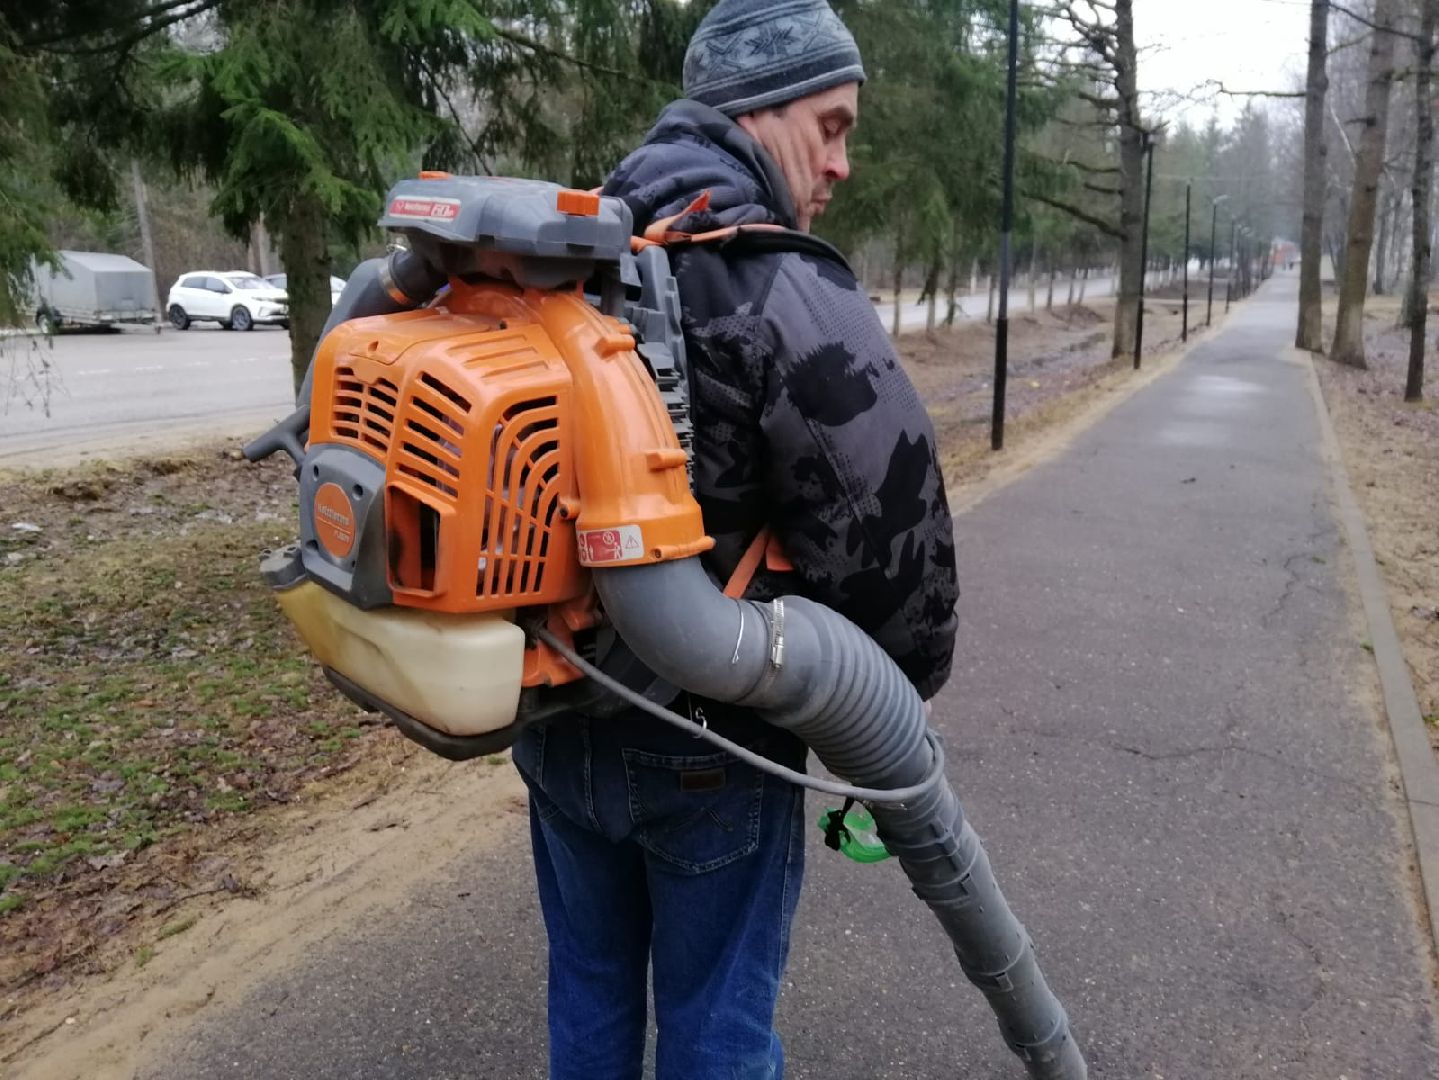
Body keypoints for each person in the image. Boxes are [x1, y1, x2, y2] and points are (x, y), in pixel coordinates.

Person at [510, 2, 959, 1077]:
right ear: (759, 113)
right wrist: (897, 702)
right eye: (832, 124)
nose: (842, 162)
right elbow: (891, 540)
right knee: (717, 1029)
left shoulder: (555, 258)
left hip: (552, 706)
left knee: (588, 995)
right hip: (713, 739)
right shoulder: (777, 281)